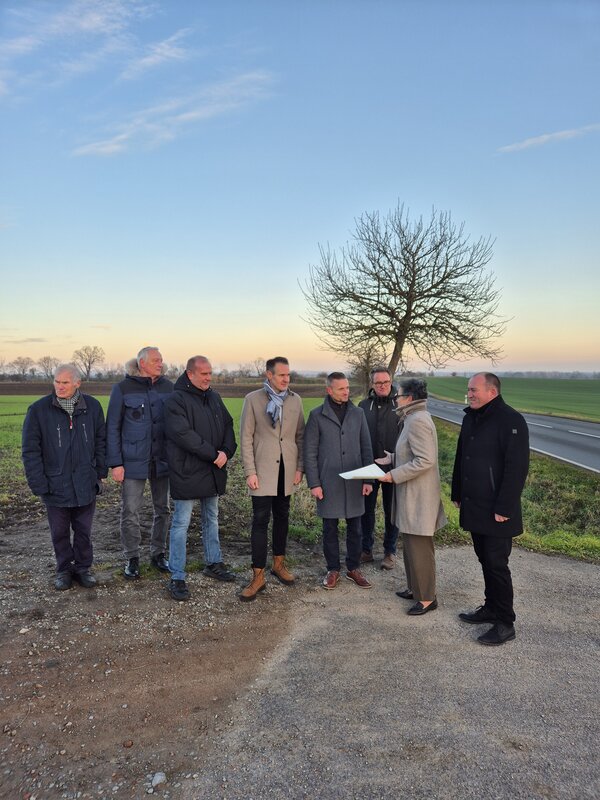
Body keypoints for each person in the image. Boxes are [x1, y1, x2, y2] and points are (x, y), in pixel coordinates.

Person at [451, 372, 529, 645]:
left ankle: (505, 622)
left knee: (497, 565)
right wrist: (457, 492)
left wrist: (505, 506)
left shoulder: (511, 420)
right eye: (468, 390)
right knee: (484, 559)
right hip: (475, 504)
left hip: (497, 509)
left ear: (492, 392)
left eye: (474, 390)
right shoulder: (470, 417)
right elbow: (463, 456)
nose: (469, 394)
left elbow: (516, 468)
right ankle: (491, 607)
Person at [22, 364, 107, 590]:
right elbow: (30, 450)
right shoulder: (39, 410)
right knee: (59, 532)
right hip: (54, 484)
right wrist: (38, 483)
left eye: (65, 383)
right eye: (57, 382)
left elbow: (101, 442)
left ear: (78, 383)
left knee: (83, 531)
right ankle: (63, 570)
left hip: (85, 483)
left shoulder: (93, 407)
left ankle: (83, 568)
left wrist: (100, 474)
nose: (59, 386)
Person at [163, 356, 237, 601]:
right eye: (203, 373)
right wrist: (213, 454)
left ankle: (213, 563)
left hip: (213, 469)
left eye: (210, 373)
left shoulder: (214, 397)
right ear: (190, 374)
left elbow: (228, 424)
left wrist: (227, 451)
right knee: (181, 524)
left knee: (211, 519)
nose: (208, 378)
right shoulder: (176, 400)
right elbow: (182, 434)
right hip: (188, 470)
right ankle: (177, 575)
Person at [378, 378, 447, 615]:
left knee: (419, 547)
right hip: (411, 495)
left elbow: (425, 460)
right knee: (409, 545)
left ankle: (427, 597)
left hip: (419, 497)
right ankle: (414, 588)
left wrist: (393, 475)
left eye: (398, 395)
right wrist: (393, 458)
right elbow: (412, 453)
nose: (395, 399)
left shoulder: (417, 420)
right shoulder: (412, 418)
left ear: (409, 398)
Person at [239, 357, 305, 602]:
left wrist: (299, 468)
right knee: (259, 520)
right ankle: (257, 576)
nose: (286, 379)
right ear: (269, 375)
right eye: (281, 375)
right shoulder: (253, 400)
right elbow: (246, 438)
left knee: (283, 518)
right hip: (263, 471)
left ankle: (279, 564)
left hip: (286, 471)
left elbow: (300, 437)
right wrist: (250, 472)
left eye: (288, 375)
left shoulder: (295, 401)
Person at [106, 347, 174, 579]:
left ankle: (158, 554)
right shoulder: (123, 388)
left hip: (162, 461)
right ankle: (132, 557)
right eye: (156, 360)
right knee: (131, 511)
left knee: (163, 510)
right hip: (132, 461)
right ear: (142, 363)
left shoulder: (168, 387)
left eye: (161, 359)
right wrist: (116, 463)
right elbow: (112, 427)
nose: (161, 363)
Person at [304, 372, 374, 590]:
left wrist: (368, 479)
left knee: (356, 528)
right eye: (341, 388)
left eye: (347, 387)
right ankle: (332, 569)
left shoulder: (358, 413)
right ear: (329, 390)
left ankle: (353, 568)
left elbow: (366, 447)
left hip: (354, 480)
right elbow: (310, 452)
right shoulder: (317, 415)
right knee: (330, 529)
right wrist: (314, 483)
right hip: (328, 481)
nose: (346, 391)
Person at [358, 367, 400, 569]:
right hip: (369, 467)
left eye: (386, 382)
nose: (382, 386)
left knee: (391, 510)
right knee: (366, 511)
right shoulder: (363, 406)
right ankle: (365, 550)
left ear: (391, 382)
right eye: (378, 383)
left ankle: (390, 551)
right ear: (372, 385)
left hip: (394, 467)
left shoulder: (400, 405)